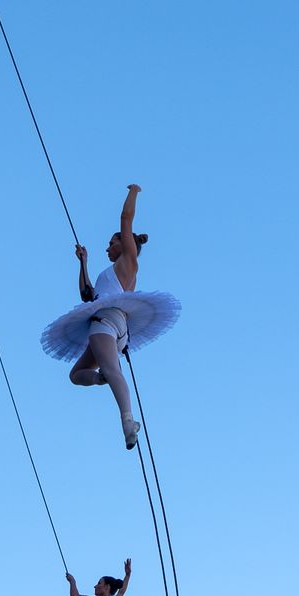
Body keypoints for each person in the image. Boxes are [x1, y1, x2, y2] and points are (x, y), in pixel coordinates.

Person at [40, 185, 181, 449]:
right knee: (77, 374)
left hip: (106, 322)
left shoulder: (128, 262)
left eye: (112, 242)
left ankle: (128, 421)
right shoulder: (111, 275)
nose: (108, 247)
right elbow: (87, 295)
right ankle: (101, 379)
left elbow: (126, 219)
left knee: (113, 370)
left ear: (125, 244)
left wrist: (133, 192)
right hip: (112, 327)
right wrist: (83, 262)